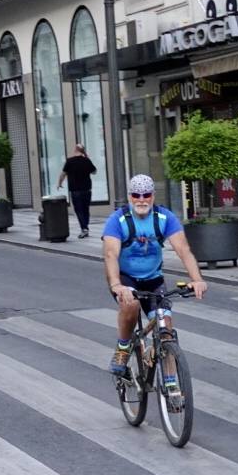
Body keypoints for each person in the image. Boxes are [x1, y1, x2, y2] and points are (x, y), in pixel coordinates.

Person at [101, 174, 208, 380]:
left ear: (153, 196)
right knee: (130, 306)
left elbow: (183, 250)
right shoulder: (118, 220)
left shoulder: (164, 218)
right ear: (130, 197)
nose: (141, 200)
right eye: (136, 195)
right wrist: (116, 285)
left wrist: (197, 279)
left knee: (165, 326)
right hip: (125, 278)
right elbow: (110, 254)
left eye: (146, 194)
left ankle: (171, 383)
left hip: (153, 278)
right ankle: (123, 347)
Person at [56, 144, 96, 238]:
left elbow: (63, 174)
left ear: (75, 150)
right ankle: (85, 227)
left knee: (79, 210)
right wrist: (87, 159)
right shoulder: (86, 160)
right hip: (87, 189)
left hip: (75, 190)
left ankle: (84, 228)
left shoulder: (70, 161)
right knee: (86, 209)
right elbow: (94, 171)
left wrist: (59, 183)